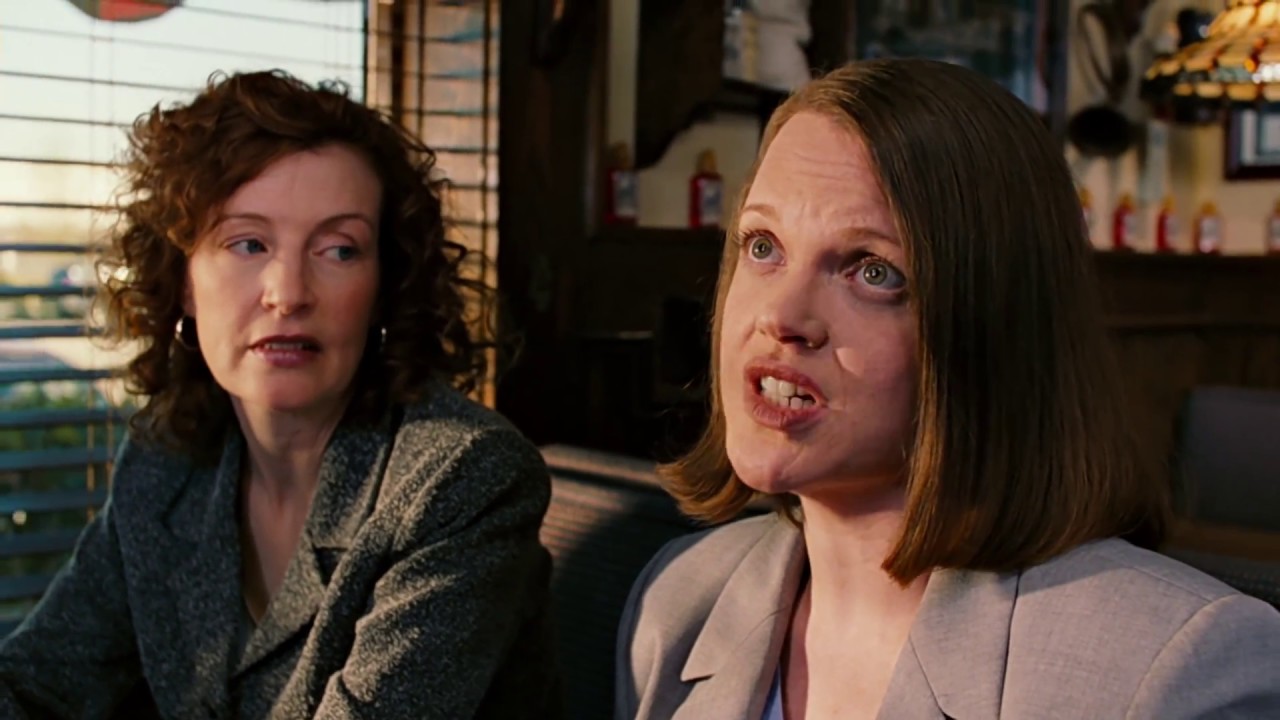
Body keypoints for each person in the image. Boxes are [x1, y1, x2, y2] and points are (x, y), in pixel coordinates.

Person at [616, 59, 1280, 719]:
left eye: (873, 271)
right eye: (764, 246)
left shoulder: (1178, 671)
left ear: (996, 328)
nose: (781, 317)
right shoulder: (679, 599)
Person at [0, 70, 558, 719]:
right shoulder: (166, 461)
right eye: (248, 243)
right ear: (183, 281)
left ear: (385, 287)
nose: (288, 293)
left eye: (339, 250)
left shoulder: (461, 476)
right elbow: (38, 682)